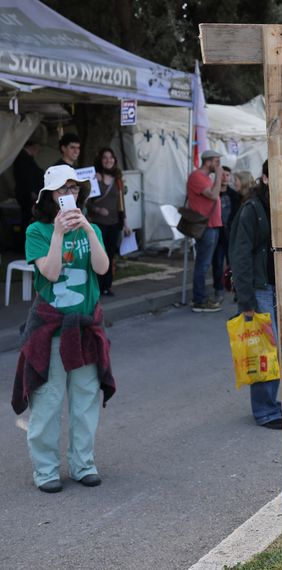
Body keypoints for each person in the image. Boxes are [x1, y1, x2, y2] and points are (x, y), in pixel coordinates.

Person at [12, 165, 115, 493]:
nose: (68, 196)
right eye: (61, 191)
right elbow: (52, 273)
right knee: (48, 400)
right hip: (51, 329)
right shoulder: (36, 232)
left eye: (73, 189)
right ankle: (45, 470)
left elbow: (102, 268)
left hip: (85, 326)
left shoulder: (92, 229)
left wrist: (86, 230)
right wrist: (58, 233)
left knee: (85, 399)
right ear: (49, 197)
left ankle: (83, 463)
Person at [228, 160, 282, 430]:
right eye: (276, 176)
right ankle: (265, 411)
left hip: (279, 286)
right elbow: (240, 256)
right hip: (261, 288)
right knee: (264, 349)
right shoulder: (253, 208)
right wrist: (246, 300)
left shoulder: (281, 203)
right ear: (265, 178)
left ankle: (271, 403)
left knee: (275, 348)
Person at [88, 148, 131, 297]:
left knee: (110, 255)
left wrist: (125, 223)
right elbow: (87, 202)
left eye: (111, 157)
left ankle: (106, 286)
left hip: (114, 223)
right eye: (105, 157)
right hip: (99, 223)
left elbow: (121, 203)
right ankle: (96, 286)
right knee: (98, 255)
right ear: (101, 160)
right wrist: (98, 210)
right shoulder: (94, 177)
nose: (108, 160)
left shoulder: (118, 179)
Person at [186, 149, 224, 312]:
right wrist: (220, 175)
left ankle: (201, 297)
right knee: (203, 263)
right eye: (216, 162)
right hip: (205, 226)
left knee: (206, 262)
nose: (218, 165)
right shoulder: (197, 177)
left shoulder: (207, 178)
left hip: (213, 225)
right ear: (207, 161)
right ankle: (199, 300)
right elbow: (214, 195)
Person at [211, 166, 239, 303]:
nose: (225, 177)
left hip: (231, 234)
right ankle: (218, 290)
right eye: (222, 175)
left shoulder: (234, 195)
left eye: (227, 175)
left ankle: (235, 289)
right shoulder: (214, 194)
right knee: (217, 263)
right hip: (218, 234)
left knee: (233, 264)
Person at [14, 135, 44, 227]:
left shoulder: (26, 157)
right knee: (27, 216)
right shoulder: (23, 157)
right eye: (38, 147)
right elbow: (26, 176)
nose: (39, 150)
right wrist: (32, 191)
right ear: (32, 146)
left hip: (29, 192)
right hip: (27, 194)